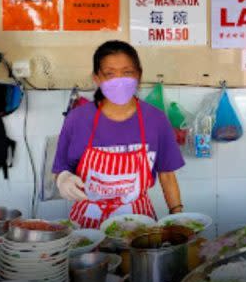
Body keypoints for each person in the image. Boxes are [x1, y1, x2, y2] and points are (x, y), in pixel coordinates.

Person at [53, 40, 185, 229]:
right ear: (97, 79)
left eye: (127, 72)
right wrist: (62, 179)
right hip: (87, 226)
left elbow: (167, 174)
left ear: (138, 75)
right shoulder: (77, 119)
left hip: (140, 224)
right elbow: (59, 168)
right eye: (109, 74)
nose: (119, 80)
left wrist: (177, 217)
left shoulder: (156, 119)